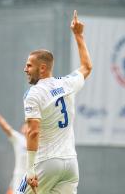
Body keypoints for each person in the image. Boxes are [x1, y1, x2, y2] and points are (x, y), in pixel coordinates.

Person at [17, 10, 92, 194]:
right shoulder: (66, 83)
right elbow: (86, 67)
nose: (25, 69)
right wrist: (79, 35)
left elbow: (33, 132)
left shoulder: (34, 93)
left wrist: (30, 169)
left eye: (29, 65)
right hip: (70, 164)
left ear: (42, 68)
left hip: (46, 162)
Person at [0, 105, 27, 194]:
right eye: (25, 126)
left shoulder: (39, 141)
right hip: (19, 176)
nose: (27, 128)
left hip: (34, 177)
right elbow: (6, 127)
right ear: (22, 129)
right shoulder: (19, 139)